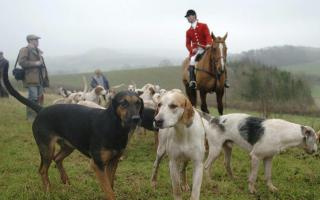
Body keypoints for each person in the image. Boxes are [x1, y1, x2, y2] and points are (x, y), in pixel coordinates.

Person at [185, 9, 229, 89]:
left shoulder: (203, 26)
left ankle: (225, 80)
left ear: (194, 16)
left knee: (219, 58)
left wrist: (209, 44)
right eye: (187, 17)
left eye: (189, 16)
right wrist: (192, 50)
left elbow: (208, 36)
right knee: (192, 61)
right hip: (196, 51)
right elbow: (187, 44)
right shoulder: (188, 31)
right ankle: (193, 81)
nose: (188, 18)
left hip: (206, 48)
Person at [18, 34, 49, 121]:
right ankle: (31, 118)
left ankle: (39, 116)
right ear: (30, 41)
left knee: (40, 98)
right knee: (33, 98)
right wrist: (35, 63)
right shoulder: (25, 50)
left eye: (37, 40)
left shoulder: (38, 51)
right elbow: (22, 62)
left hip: (40, 78)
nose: (37, 42)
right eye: (35, 40)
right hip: (31, 78)